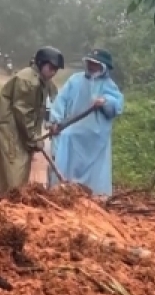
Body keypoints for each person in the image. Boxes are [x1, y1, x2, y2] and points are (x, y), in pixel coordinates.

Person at [0, 46, 63, 197]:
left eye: (56, 69)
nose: (53, 72)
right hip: (8, 129)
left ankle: (1, 200)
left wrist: (55, 122)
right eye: (51, 68)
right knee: (13, 172)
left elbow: (56, 99)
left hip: (18, 128)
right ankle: (5, 201)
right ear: (41, 63)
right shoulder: (28, 81)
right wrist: (34, 138)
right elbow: (23, 112)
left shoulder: (43, 79)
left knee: (10, 170)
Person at [49, 49, 124, 197]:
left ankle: (95, 198)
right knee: (65, 167)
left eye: (95, 64)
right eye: (89, 62)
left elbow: (116, 106)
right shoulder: (75, 80)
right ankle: (62, 195)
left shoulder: (109, 85)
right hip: (72, 134)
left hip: (96, 139)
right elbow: (61, 101)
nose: (91, 66)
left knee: (95, 175)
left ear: (103, 67)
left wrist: (105, 101)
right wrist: (56, 121)